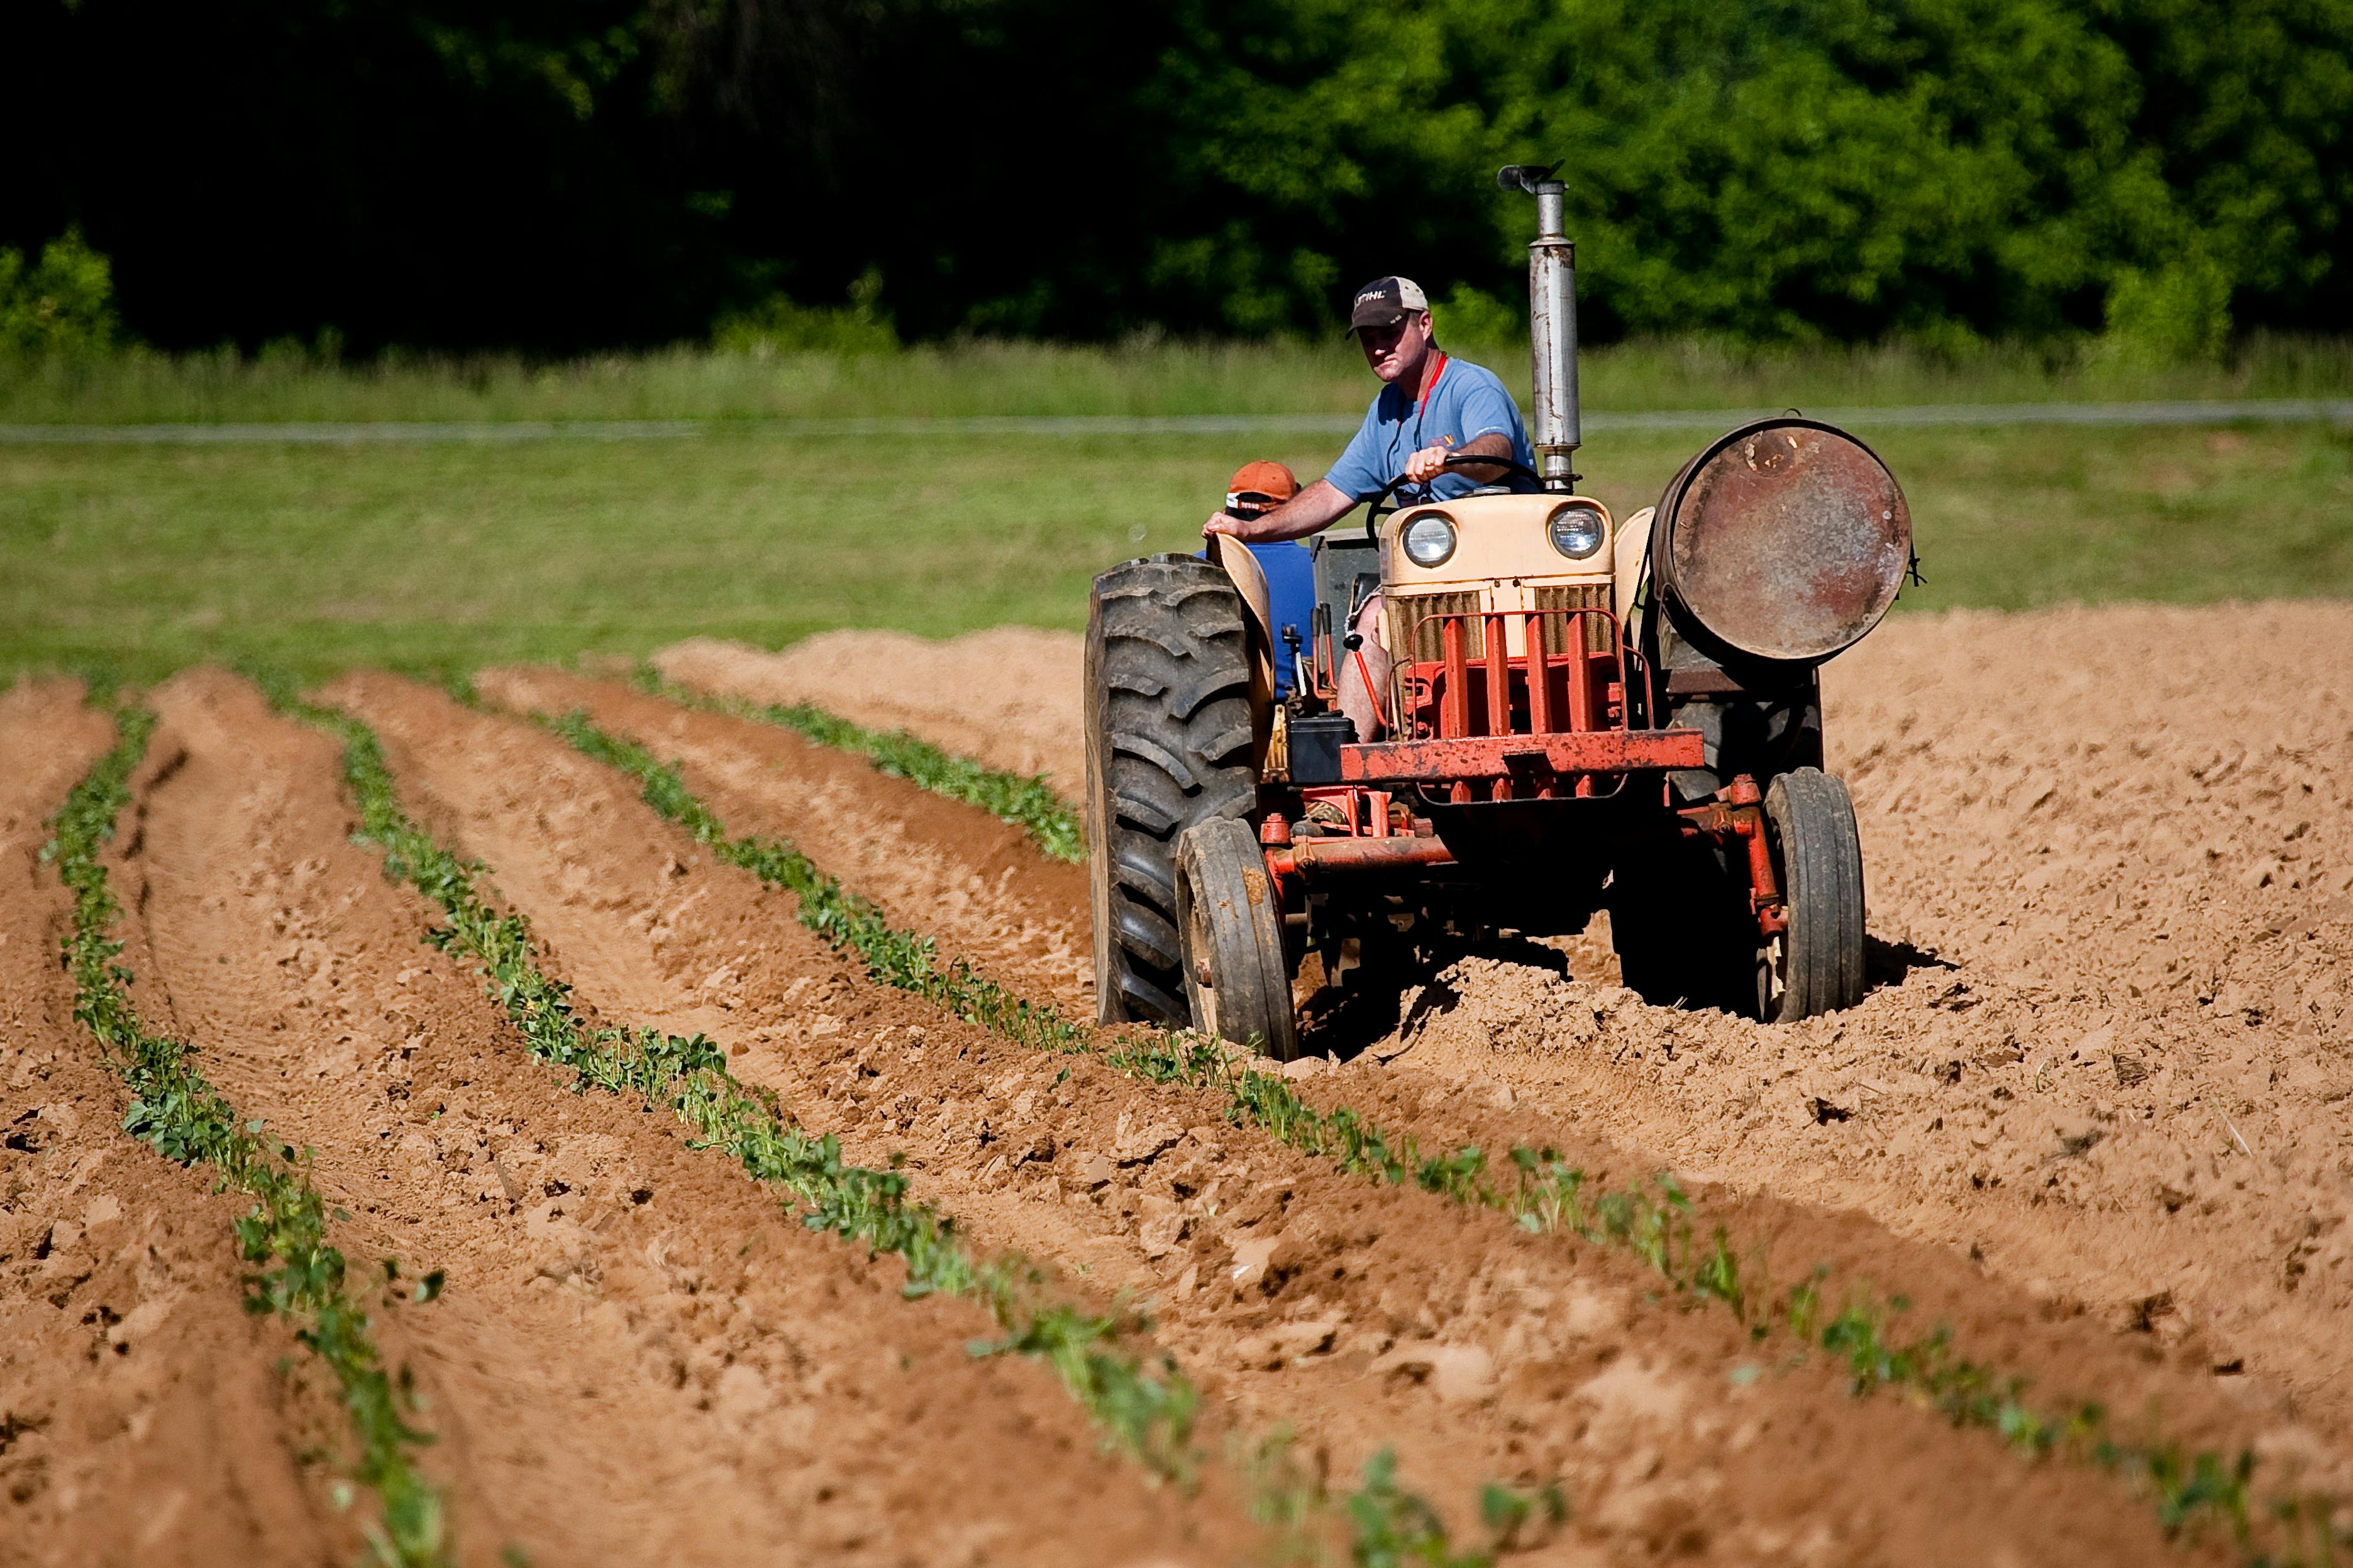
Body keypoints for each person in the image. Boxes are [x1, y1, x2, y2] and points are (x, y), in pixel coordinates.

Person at [1203, 276, 1535, 740]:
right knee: (1373, 619)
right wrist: (1250, 530)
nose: (1379, 348)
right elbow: (1333, 493)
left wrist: (1452, 459)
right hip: (1429, 578)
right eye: (1368, 339)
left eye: (1390, 333)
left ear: (1425, 324)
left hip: (1509, 568)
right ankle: (1348, 778)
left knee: (1381, 612)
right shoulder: (1387, 410)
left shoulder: (1470, 386)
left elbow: (1498, 450)